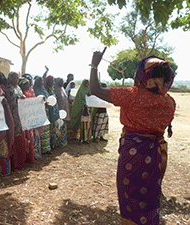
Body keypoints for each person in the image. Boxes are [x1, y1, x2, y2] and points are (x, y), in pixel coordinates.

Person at [90, 47, 176, 225]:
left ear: (143, 77)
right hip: (155, 157)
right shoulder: (170, 102)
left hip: (132, 156)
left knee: (129, 198)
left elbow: (96, 89)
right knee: (150, 197)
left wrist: (94, 65)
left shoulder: (132, 95)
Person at [5, 72, 34, 169]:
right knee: (16, 139)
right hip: (13, 117)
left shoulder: (18, 88)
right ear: (9, 79)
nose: (16, 80)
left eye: (17, 78)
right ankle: (16, 163)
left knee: (22, 139)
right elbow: (10, 102)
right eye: (14, 78)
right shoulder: (8, 89)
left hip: (20, 117)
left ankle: (22, 161)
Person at [19, 77, 42, 160]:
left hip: (31, 118)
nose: (27, 85)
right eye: (25, 84)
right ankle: (29, 156)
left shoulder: (29, 93)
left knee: (32, 137)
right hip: (24, 120)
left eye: (27, 84)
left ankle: (34, 155)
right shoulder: (21, 95)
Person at [33, 76, 51, 154]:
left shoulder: (43, 89)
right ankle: (42, 149)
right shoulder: (35, 90)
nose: (41, 83)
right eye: (39, 81)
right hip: (39, 113)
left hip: (46, 112)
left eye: (42, 81)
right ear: (36, 82)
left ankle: (47, 148)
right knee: (41, 130)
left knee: (46, 130)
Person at [70, 79, 92, 143]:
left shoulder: (90, 90)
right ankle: (81, 138)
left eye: (88, 83)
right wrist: (83, 104)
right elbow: (78, 100)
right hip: (82, 110)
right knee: (82, 125)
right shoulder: (81, 91)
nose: (86, 84)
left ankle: (86, 138)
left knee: (87, 125)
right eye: (85, 82)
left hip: (88, 110)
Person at [54, 77, 69, 147]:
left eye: (62, 81)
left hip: (64, 112)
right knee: (59, 127)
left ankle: (64, 142)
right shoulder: (55, 90)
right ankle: (58, 143)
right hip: (59, 112)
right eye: (60, 81)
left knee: (63, 127)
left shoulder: (62, 89)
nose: (62, 83)